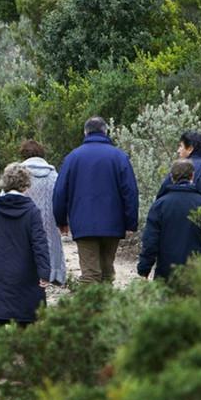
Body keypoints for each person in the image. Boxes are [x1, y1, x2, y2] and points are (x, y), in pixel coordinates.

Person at [51, 117, 140, 284]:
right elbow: (130, 192)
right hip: (113, 224)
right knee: (107, 272)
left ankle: (91, 302)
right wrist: (130, 223)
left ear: (85, 132)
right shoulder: (119, 157)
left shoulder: (73, 157)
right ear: (106, 132)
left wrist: (61, 220)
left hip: (83, 224)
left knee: (90, 274)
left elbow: (60, 192)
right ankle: (106, 300)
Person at [0, 163, 51, 350]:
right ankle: (24, 357)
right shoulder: (32, 211)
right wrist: (44, 272)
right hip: (24, 273)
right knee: (25, 315)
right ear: (26, 185)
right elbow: (39, 243)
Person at [138, 159, 201, 279]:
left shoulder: (160, 205)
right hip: (197, 272)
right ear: (192, 176)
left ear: (171, 177)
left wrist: (144, 269)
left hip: (167, 271)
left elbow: (150, 240)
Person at [19, 140, 67, 286]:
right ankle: (51, 276)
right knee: (48, 251)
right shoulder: (54, 175)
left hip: (23, 225)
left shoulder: (18, 174)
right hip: (50, 223)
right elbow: (62, 199)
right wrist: (63, 221)